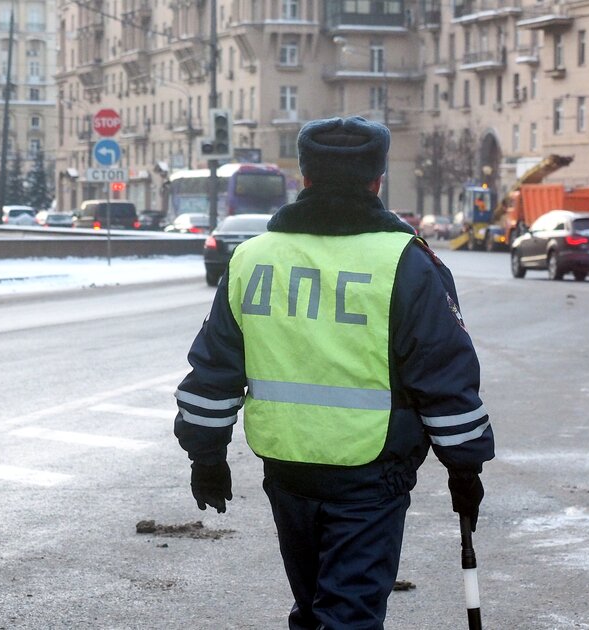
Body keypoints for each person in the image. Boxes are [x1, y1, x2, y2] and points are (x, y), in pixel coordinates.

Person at [174, 116, 494, 629]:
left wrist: (206, 456)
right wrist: (465, 466)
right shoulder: (406, 264)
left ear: (305, 177)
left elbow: (213, 373)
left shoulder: (253, 258)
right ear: (377, 179)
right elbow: (445, 378)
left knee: (315, 609)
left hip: (286, 467)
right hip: (372, 474)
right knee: (348, 615)